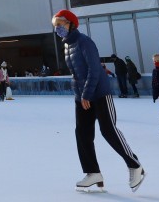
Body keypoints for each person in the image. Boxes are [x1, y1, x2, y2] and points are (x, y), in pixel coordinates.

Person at [52, 10, 144, 193]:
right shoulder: (67, 45)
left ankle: (135, 166)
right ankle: (93, 172)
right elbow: (76, 73)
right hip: (82, 97)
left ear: (71, 23)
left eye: (60, 24)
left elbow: (94, 69)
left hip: (99, 93)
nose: (57, 28)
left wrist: (87, 94)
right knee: (82, 134)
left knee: (108, 130)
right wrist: (80, 96)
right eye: (56, 25)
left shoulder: (85, 42)